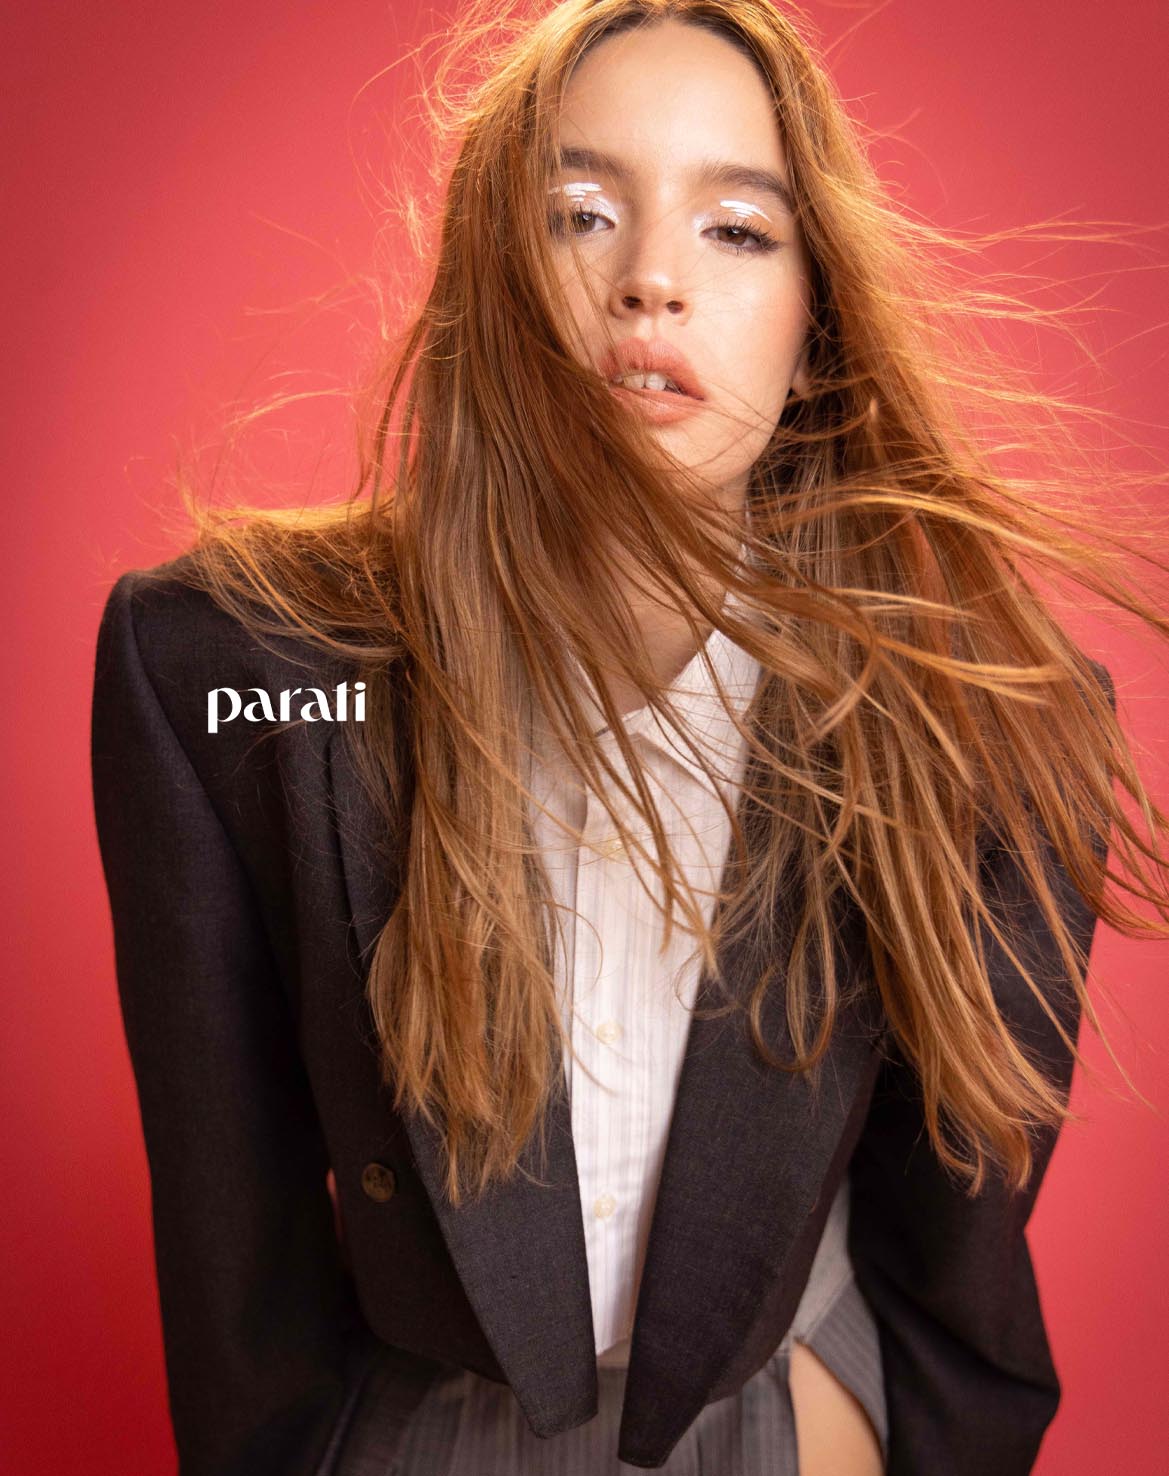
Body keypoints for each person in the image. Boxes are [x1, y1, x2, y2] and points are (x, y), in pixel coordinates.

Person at [90, 2, 1168, 1473]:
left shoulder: (978, 718)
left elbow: (957, 1231)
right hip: (424, 1414)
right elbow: (236, 1238)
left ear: (814, 331)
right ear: (492, 285)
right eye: (581, 213)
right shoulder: (242, 669)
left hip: (790, 1399)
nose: (651, 277)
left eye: (737, 231)